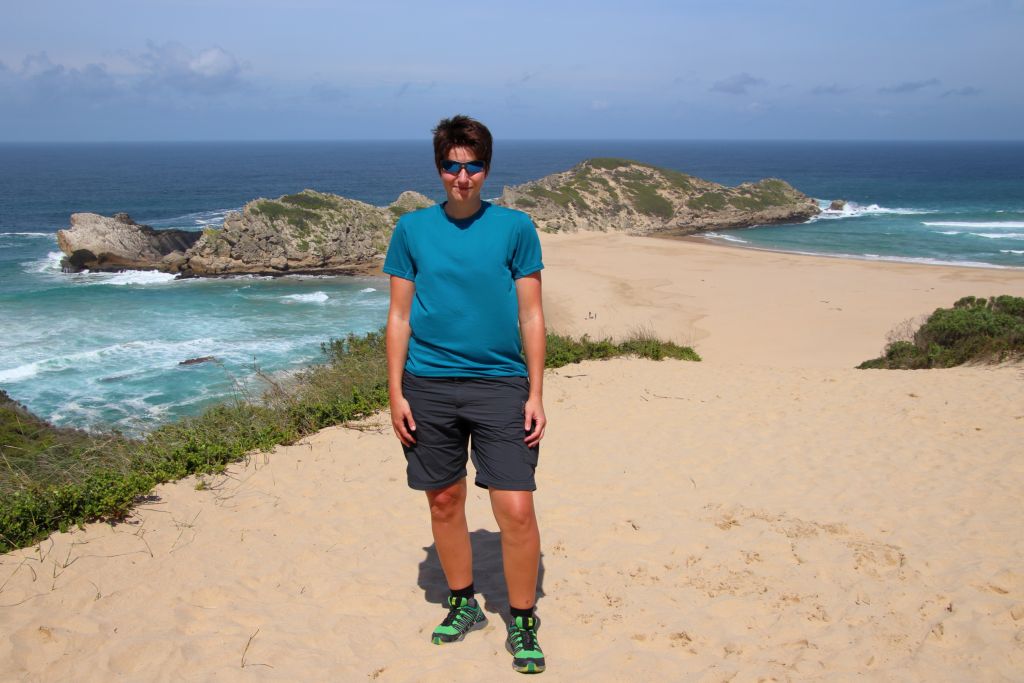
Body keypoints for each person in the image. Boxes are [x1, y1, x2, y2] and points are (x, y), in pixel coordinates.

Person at [383, 114, 548, 674]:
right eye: (452, 166)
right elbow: (399, 317)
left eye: (473, 166)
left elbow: (532, 315)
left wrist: (536, 393)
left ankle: (522, 618)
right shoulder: (411, 230)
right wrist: (395, 393)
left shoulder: (515, 227)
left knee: (516, 508)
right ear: (439, 168)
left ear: (487, 169)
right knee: (445, 500)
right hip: (427, 385)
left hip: (501, 384)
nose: (462, 176)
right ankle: (463, 604)